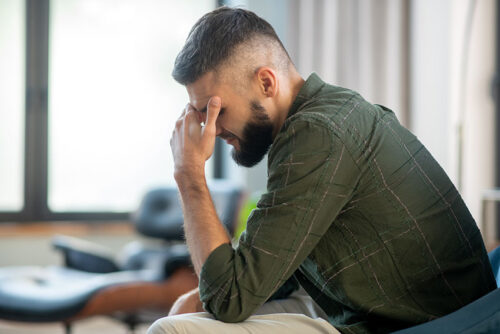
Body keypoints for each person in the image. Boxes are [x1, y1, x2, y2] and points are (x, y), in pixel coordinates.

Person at [148, 6, 496, 334]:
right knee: (190, 309)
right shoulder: (328, 113)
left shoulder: (317, 134)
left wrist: (189, 174)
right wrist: (203, 295)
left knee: (172, 330)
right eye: (199, 115)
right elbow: (269, 268)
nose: (210, 129)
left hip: (422, 323)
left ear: (266, 84)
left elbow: (229, 298)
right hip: (366, 305)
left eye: (215, 111)